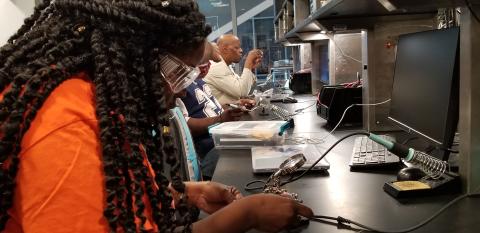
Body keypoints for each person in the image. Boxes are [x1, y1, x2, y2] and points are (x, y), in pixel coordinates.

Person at [0, 1, 312, 233]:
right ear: (137, 57)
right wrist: (245, 216)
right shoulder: (66, 121)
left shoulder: (98, 101)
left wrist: (185, 192)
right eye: (177, 74)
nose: (178, 94)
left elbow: (103, 193)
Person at [176, 42, 254, 179]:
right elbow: (184, 125)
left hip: (223, 137)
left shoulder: (199, 81)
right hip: (211, 148)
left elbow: (212, 109)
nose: (207, 65)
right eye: (202, 61)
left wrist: (233, 105)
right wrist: (220, 119)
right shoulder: (178, 87)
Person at [204, 34, 263, 105]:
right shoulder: (216, 66)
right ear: (225, 49)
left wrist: (251, 68)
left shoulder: (226, 66)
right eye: (237, 47)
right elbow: (241, 91)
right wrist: (248, 63)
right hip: (219, 114)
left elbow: (244, 87)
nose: (241, 50)